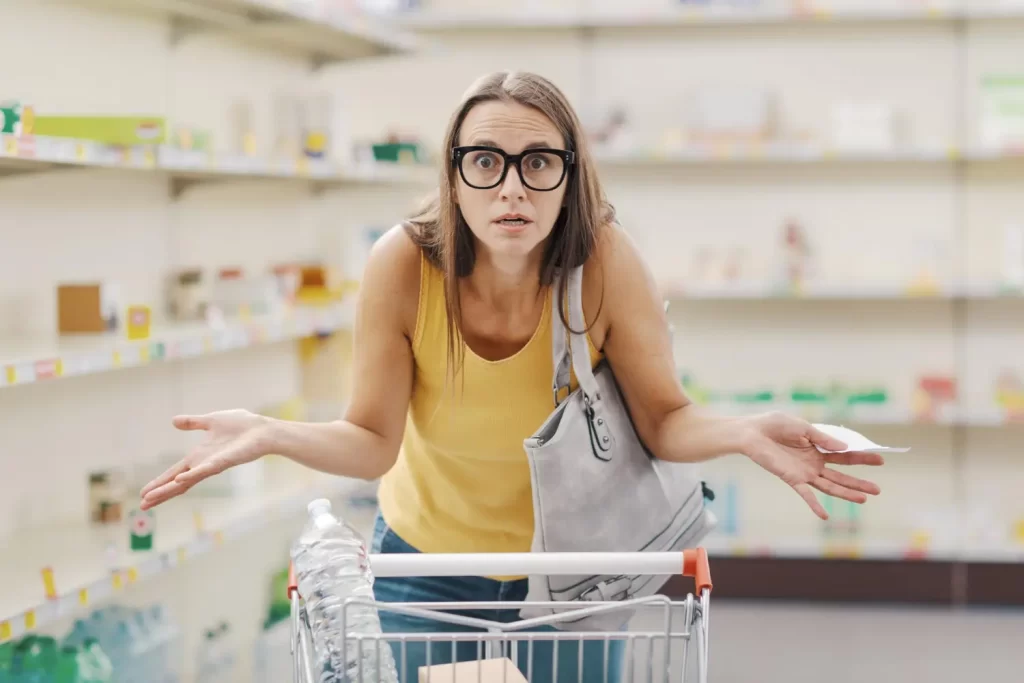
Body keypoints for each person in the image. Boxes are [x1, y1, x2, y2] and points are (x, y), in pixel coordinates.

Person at [139, 71, 884, 681]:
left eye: (539, 163)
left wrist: (745, 431)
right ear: (455, 174)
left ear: (569, 175)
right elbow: (371, 440)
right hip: (431, 564)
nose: (512, 188)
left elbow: (664, 419)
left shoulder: (602, 261)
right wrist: (271, 433)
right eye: (486, 161)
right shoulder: (403, 265)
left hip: (570, 572)